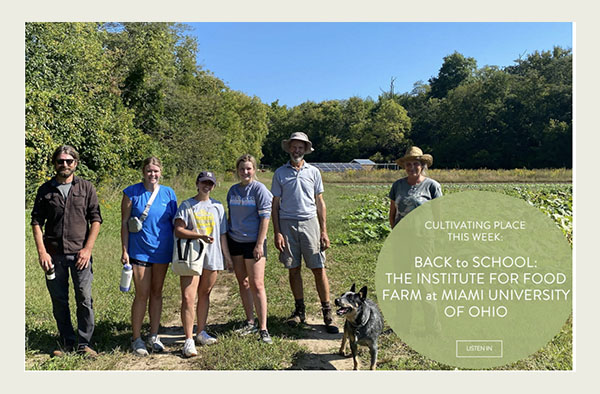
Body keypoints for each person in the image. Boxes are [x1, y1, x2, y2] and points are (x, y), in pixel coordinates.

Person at [31, 145, 102, 358]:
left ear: (75, 163)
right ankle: (66, 342)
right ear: (55, 163)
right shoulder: (45, 190)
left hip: (80, 254)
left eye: (69, 161)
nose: (65, 165)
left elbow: (96, 219)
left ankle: (84, 343)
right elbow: (36, 222)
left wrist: (87, 250)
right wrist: (42, 252)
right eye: (61, 161)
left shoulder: (86, 188)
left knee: (84, 298)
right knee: (59, 299)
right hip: (54, 256)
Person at [271, 132, 339, 334]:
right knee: (294, 268)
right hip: (287, 224)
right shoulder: (280, 173)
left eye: (301, 147)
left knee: (318, 268)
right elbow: (275, 205)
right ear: (289, 148)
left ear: (305, 149)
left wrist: (324, 230)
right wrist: (277, 232)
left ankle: (327, 312)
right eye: (294, 146)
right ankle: (299, 311)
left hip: (310, 223)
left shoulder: (314, 172)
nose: (297, 150)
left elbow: (320, 202)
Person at [121, 157, 178, 356]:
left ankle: (154, 335)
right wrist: (125, 250)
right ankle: (136, 338)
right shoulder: (131, 193)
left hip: (162, 251)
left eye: (155, 171)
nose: (152, 174)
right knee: (142, 294)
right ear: (143, 172)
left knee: (157, 293)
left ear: (161, 172)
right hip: (139, 251)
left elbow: (175, 223)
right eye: (148, 171)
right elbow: (125, 223)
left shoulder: (169, 194)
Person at [174, 171, 233, 357]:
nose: (206, 186)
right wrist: (199, 235)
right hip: (192, 256)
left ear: (214, 186)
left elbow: (222, 234)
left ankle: (201, 332)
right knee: (188, 297)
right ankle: (188, 339)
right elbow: (178, 230)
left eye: (210, 183)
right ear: (197, 183)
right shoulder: (187, 205)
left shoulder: (218, 207)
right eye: (203, 182)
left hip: (212, 256)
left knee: (205, 294)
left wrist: (227, 256)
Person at [227, 154, 273, 344]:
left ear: (254, 170)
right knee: (243, 283)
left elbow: (265, 218)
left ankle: (263, 328)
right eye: (242, 169)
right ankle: (250, 322)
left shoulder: (259, 190)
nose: (245, 172)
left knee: (257, 284)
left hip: (254, 243)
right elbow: (231, 217)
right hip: (235, 241)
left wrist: (259, 244)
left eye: (249, 168)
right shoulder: (232, 191)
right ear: (237, 171)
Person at [389, 146, 443, 228]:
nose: (412, 167)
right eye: (408, 164)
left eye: (416, 164)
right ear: (405, 166)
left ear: (422, 166)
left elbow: (438, 215)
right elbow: (392, 213)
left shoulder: (432, 186)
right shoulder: (397, 185)